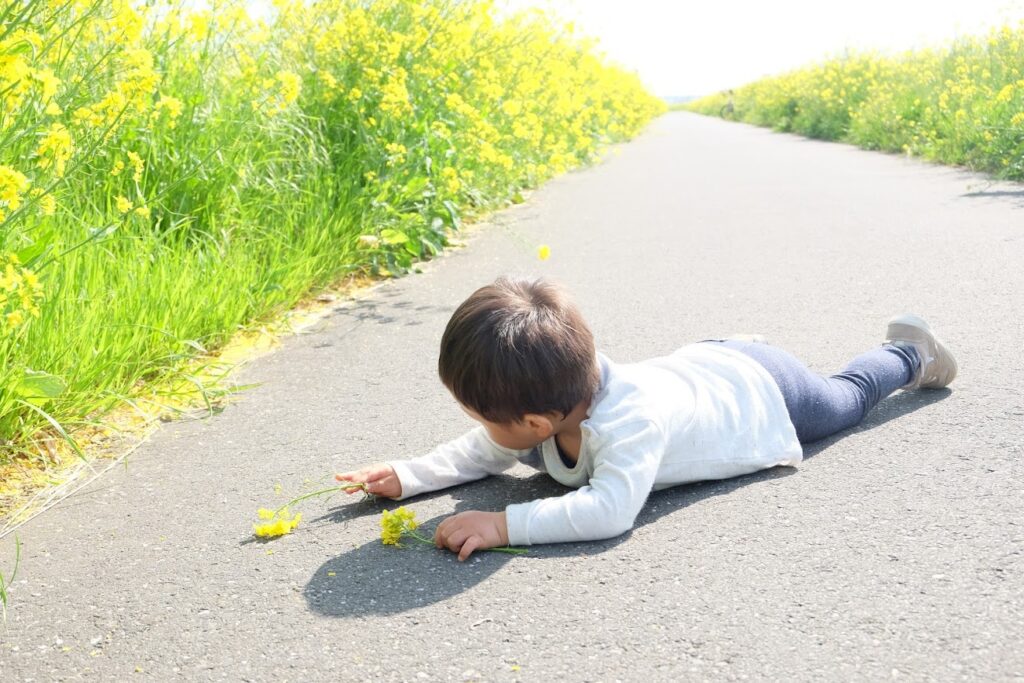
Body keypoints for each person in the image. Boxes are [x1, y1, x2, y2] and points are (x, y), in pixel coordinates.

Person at [336, 277, 957, 561]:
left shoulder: (626, 424)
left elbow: (608, 512)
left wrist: (504, 523)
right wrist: (408, 475)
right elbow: (481, 452)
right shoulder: (547, 406)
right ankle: (731, 341)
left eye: (480, 414)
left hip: (761, 391)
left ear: (533, 421)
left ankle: (908, 353)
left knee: (843, 401)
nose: (479, 426)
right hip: (699, 367)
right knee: (714, 366)